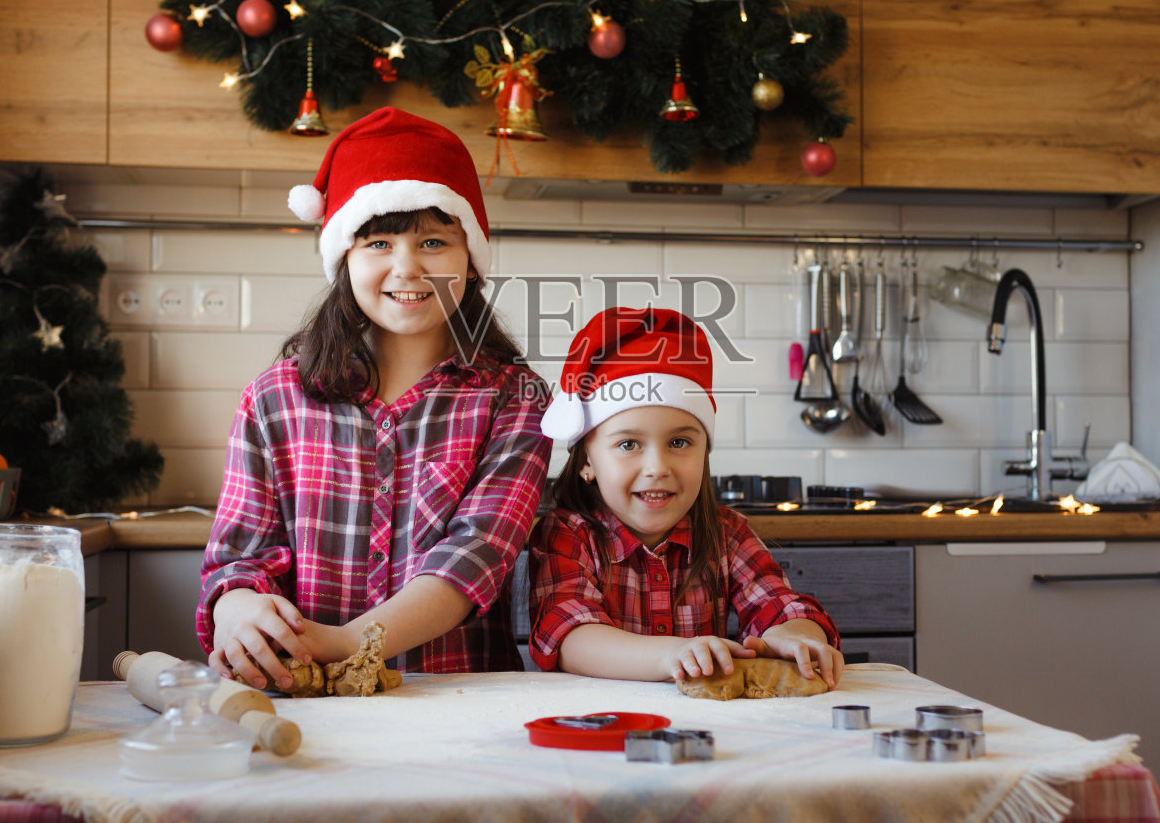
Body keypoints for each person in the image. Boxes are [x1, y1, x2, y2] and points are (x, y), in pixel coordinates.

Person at [198, 106, 551, 689]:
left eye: (434, 241)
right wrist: (239, 613)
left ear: (471, 261)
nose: (406, 267)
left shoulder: (514, 400)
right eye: (378, 242)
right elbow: (238, 557)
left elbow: (475, 558)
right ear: (345, 260)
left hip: (457, 702)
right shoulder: (274, 398)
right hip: (302, 698)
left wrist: (343, 643)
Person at [528, 307, 842, 686]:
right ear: (586, 462)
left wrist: (793, 635)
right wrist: (671, 655)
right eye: (628, 444)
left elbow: (779, 604)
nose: (657, 467)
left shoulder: (728, 533)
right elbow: (569, 636)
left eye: (679, 442)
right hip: (599, 730)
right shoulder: (568, 534)